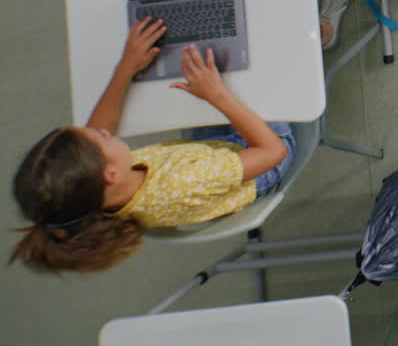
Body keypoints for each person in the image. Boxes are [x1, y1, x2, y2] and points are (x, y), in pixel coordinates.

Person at [10, 19, 294, 273]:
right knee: (268, 55)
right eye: (102, 139)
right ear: (109, 174)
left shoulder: (99, 196)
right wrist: (217, 96)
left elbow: (99, 129)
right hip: (263, 159)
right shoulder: (185, 183)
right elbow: (272, 152)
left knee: (215, 68)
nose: (103, 132)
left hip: (211, 155)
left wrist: (126, 67)